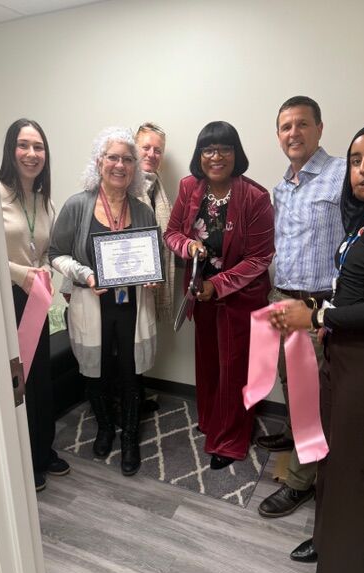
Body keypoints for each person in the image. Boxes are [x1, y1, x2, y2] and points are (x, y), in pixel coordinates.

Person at [270, 122, 364, 573]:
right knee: (329, 458)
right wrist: (326, 312)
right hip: (344, 352)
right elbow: (357, 287)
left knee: (351, 469)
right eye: (355, 160)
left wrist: (317, 315)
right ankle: (327, 542)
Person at [164, 121, 274, 469]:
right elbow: (172, 233)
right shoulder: (189, 187)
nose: (216, 156)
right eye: (208, 149)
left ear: (236, 153)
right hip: (201, 294)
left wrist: (219, 284)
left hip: (240, 298)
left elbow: (260, 258)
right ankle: (212, 422)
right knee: (209, 363)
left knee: (235, 370)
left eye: (225, 149)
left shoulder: (255, 197)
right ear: (200, 155)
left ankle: (229, 441)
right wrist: (188, 246)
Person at [49, 127, 158, 476]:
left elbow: (151, 255)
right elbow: (56, 254)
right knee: (95, 370)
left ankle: (130, 437)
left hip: (130, 306)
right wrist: (85, 274)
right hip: (90, 302)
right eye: (113, 157)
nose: (120, 165)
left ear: (134, 167)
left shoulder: (142, 210)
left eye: (127, 159)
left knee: (130, 370)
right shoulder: (77, 205)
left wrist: (152, 275)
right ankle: (106, 427)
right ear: (99, 162)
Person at [256, 96, 345, 517]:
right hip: (281, 299)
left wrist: (335, 308)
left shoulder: (341, 176)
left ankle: (299, 482)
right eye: (285, 127)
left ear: (319, 128)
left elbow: (355, 246)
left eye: (302, 124)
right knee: (290, 383)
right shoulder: (281, 188)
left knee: (311, 397)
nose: (293, 133)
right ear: (278, 135)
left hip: (316, 306)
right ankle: (293, 435)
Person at [0, 118, 70, 492]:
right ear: (11, 150)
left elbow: (44, 250)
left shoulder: (45, 201)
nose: (31, 154)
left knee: (39, 375)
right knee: (16, 382)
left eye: (38, 147)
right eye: (24, 145)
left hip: (36, 298)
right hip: (5, 299)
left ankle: (43, 451)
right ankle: (22, 459)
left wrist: (42, 270)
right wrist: (21, 273)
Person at [134, 122, 175, 412]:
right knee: (124, 345)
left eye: (157, 150)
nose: (151, 154)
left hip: (149, 282)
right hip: (123, 283)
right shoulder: (122, 182)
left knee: (140, 342)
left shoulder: (157, 188)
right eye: (145, 147)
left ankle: (135, 397)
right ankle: (124, 406)